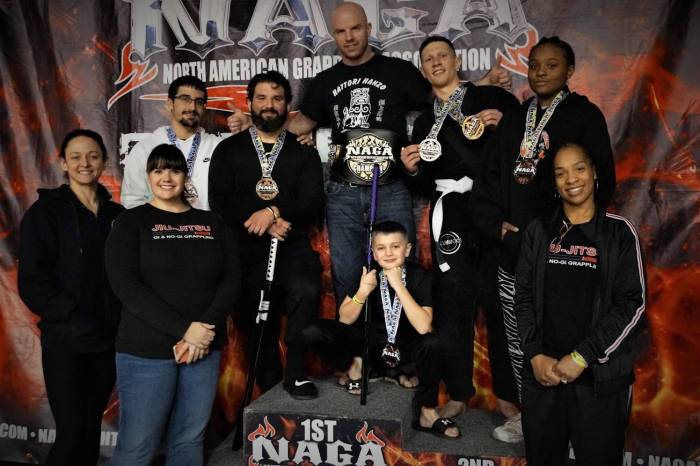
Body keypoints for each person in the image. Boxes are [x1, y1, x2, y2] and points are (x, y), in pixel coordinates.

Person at [227, 2, 511, 308]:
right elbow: (299, 124)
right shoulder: (325, 81)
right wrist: (255, 123)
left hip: (392, 188)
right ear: (333, 35)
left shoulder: (398, 70)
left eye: (355, 29)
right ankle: (352, 340)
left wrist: (485, 82)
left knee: (400, 271)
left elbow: (444, 93)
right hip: (342, 194)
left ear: (368, 29)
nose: (349, 37)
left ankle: (400, 336)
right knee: (348, 277)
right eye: (341, 31)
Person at [470, 36, 617, 442]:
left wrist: (571, 232)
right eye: (534, 65)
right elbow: (486, 181)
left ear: (570, 71)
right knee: (521, 338)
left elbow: (601, 181)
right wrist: (496, 226)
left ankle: (574, 422)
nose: (540, 72)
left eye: (551, 66)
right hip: (515, 253)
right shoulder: (515, 119)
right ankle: (530, 415)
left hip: (566, 253)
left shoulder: (584, 116)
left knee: (569, 335)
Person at [400, 36, 519, 419]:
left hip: (492, 210)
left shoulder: (492, 99)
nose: (436, 62)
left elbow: (526, 150)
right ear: (423, 70)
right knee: (453, 304)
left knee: (499, 301)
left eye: (442, 56)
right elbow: (423, 184)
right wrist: (412, 169)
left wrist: (506, 127)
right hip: (450, 212)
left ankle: (508, 393)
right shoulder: (424, 122)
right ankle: (458, 391)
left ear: (457, 61)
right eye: (428, 59)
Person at [105, 145, 239, 466]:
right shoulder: (130, 222)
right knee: (138, 445)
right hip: (146, 350)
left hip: (203, 348)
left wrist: (202, 331)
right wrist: (185, 330)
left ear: (185, 176)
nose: (167, 177)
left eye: (175, 170)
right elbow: (126, 286)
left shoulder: (211, 222)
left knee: (188, 441)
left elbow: (232, 280)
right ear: (148, 176)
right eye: (158, 170)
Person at [515, 142, 647, 466]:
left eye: (579, 168)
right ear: (554, 182)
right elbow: (523, 296)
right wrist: (534, 355)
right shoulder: (539, 231)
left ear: (594, 172)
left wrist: (582, 356)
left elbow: (632, 304)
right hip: (544, 376)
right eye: (560, 173)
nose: (571, 179)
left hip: (598, 382)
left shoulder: (619, 233)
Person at [209, 71, 323, 400]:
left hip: (291, 244)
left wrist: (274, 211)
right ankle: (269, 384)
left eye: (277, 98)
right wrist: (259, 219)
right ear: (249, 103)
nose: (269, 105)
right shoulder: (229, 149)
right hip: (245, 247)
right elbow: (220, 201)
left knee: (306, 290)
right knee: (256, 313)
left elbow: (312, 201)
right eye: (261, 98)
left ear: (287, 105)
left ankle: (296, 374)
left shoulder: (303, 151)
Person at [17, 129, 124, 466]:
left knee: (90, 430)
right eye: (75, 156)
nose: (84, 163)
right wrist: (72, 313)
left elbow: (127, 276)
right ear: (63, 163)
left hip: (106, 343)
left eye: (92, 155)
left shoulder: (116, 216)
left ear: (104, 161)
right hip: (66, 342)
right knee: (72, 432)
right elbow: (32, 281)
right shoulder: (45, 213)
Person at [303, 221, 459, 438]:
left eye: (395, 246)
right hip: (370, 345)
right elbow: (345, 319)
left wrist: (398, 286)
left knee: (433, 343)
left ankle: (427, 411)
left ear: (407, 249)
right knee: (313, 332)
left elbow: (424, 326)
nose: (388, 253)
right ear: (374, 253)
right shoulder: (366, 271)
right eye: (381, 248)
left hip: (404, 348)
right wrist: (362, 292)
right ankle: (358, 365)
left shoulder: (419, 275)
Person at [121, 75, 222, 210]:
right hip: (158, 223)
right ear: (170, 104)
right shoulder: (145, 148)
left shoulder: (218, 147)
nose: (192, 107)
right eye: (185, 99)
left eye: (198, 102)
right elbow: (132, 201)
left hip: (205, 223)